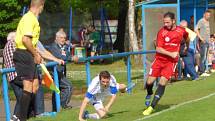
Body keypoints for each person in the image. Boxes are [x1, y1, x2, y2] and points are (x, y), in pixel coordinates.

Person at [142, 12, 189, 116]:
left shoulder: (181, 30)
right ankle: (149, 93)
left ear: (173, 21)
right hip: (159, 60)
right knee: (149, 82)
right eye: (164, 22)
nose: (166, 24)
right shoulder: (162, 32)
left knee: (162, 83)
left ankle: (151, 107)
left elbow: (187, 37)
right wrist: (171, 53)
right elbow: (158, 48)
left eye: (168, 22)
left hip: (171, 62)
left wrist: (185, 47)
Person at [13, 0, 45, 120]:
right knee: (27, 86)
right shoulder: (29, 18)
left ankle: (29, 114)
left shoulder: (33, 19)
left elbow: (32, 42)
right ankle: (21, 117)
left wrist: (37, 54)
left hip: (29, 54)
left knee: (35, 86)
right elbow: (26, 40)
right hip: (23, 53)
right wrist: (35, 54)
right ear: (41, 6)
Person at [47, 30, 78, 110]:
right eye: (61, 38)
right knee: (68, 86)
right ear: (56, 38)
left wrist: (69, 54)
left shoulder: (63, 46)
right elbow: (60, 56)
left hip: (60, 71)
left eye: (64, 38)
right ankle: (64, 105)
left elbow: (66, 54)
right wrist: (71, 58)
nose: (63, 39)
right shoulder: (53, 46)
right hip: (54, 72)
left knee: (57, 90)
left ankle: (55, 109)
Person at [195, 10, 211, 76]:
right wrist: (201, 38)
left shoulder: (207, 22)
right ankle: (201, 71)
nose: (208, 16)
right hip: (203, 42)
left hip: (207, 41)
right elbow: (196, 29)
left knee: (205, 57)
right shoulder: (201, 21)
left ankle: (203, 70)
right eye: (207, 15)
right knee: (203, 57)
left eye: (209, 15)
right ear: (204, 15)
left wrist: (209, 40)